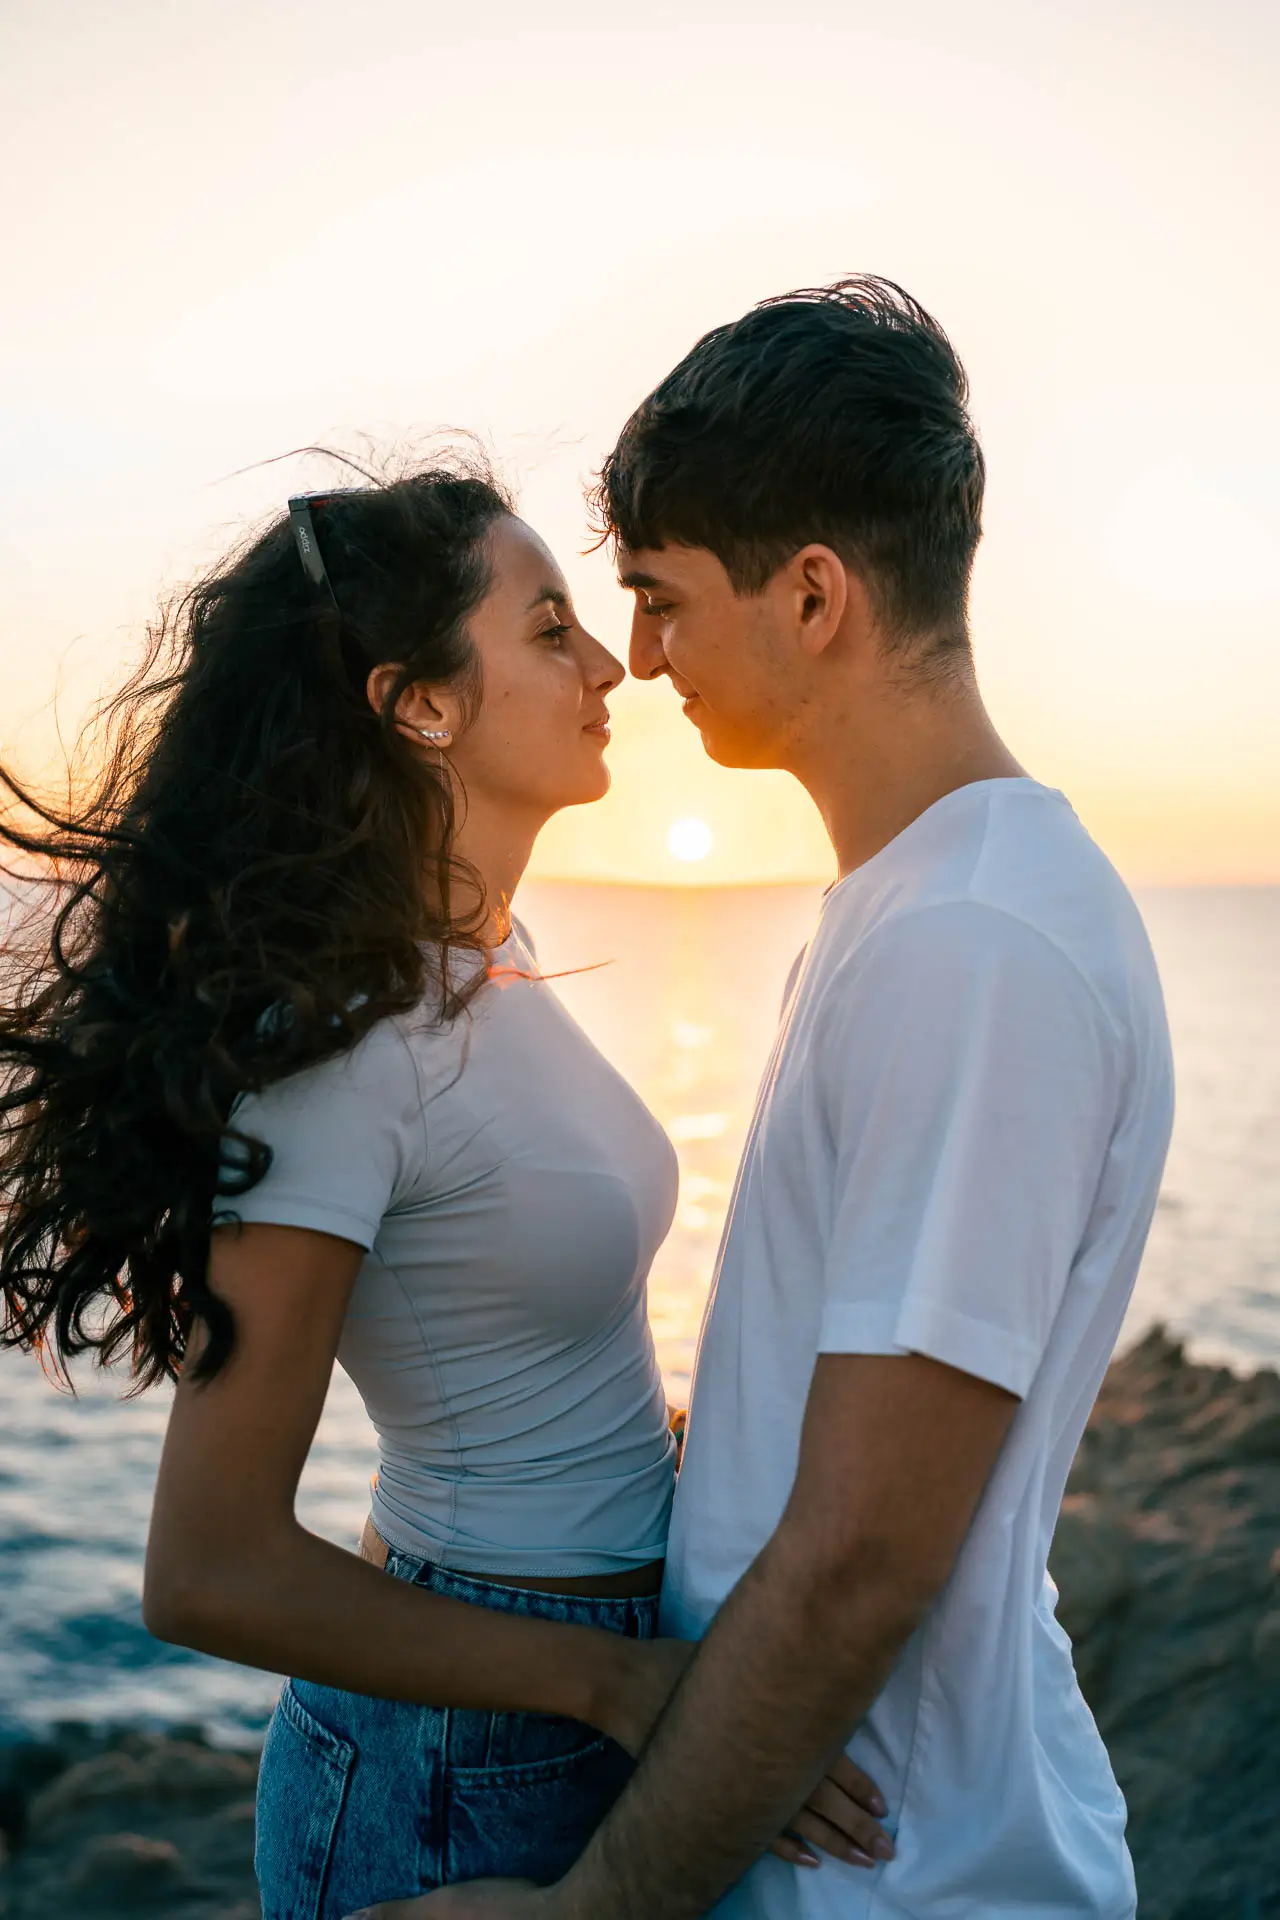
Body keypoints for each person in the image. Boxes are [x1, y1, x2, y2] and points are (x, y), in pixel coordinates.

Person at [358, 279, 1175, 1920]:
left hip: (899, 1872)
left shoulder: (974, 943)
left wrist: (591, 1914)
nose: (638, 658)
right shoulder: (918, 902)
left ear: (813, 596)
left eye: (661, 600)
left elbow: (870, 1550)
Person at [0, 458, 885, 1920]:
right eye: (549, 629)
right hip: (465, 1750)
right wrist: (615, 1680)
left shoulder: (494, 955)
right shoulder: (341, 1049)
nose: (613, 662)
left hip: (560, 1687)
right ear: (421, 704)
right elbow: (204, 1567)